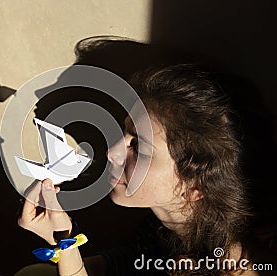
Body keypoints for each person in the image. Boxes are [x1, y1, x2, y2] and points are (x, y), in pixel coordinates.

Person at [16, 63, 264, 275]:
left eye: (138, 147)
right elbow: (134, 260)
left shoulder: (218, 267)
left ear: (196, 186)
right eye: (125, 133)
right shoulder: (169, 224)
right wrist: (64, 242)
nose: (111, 152)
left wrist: (65, 244)